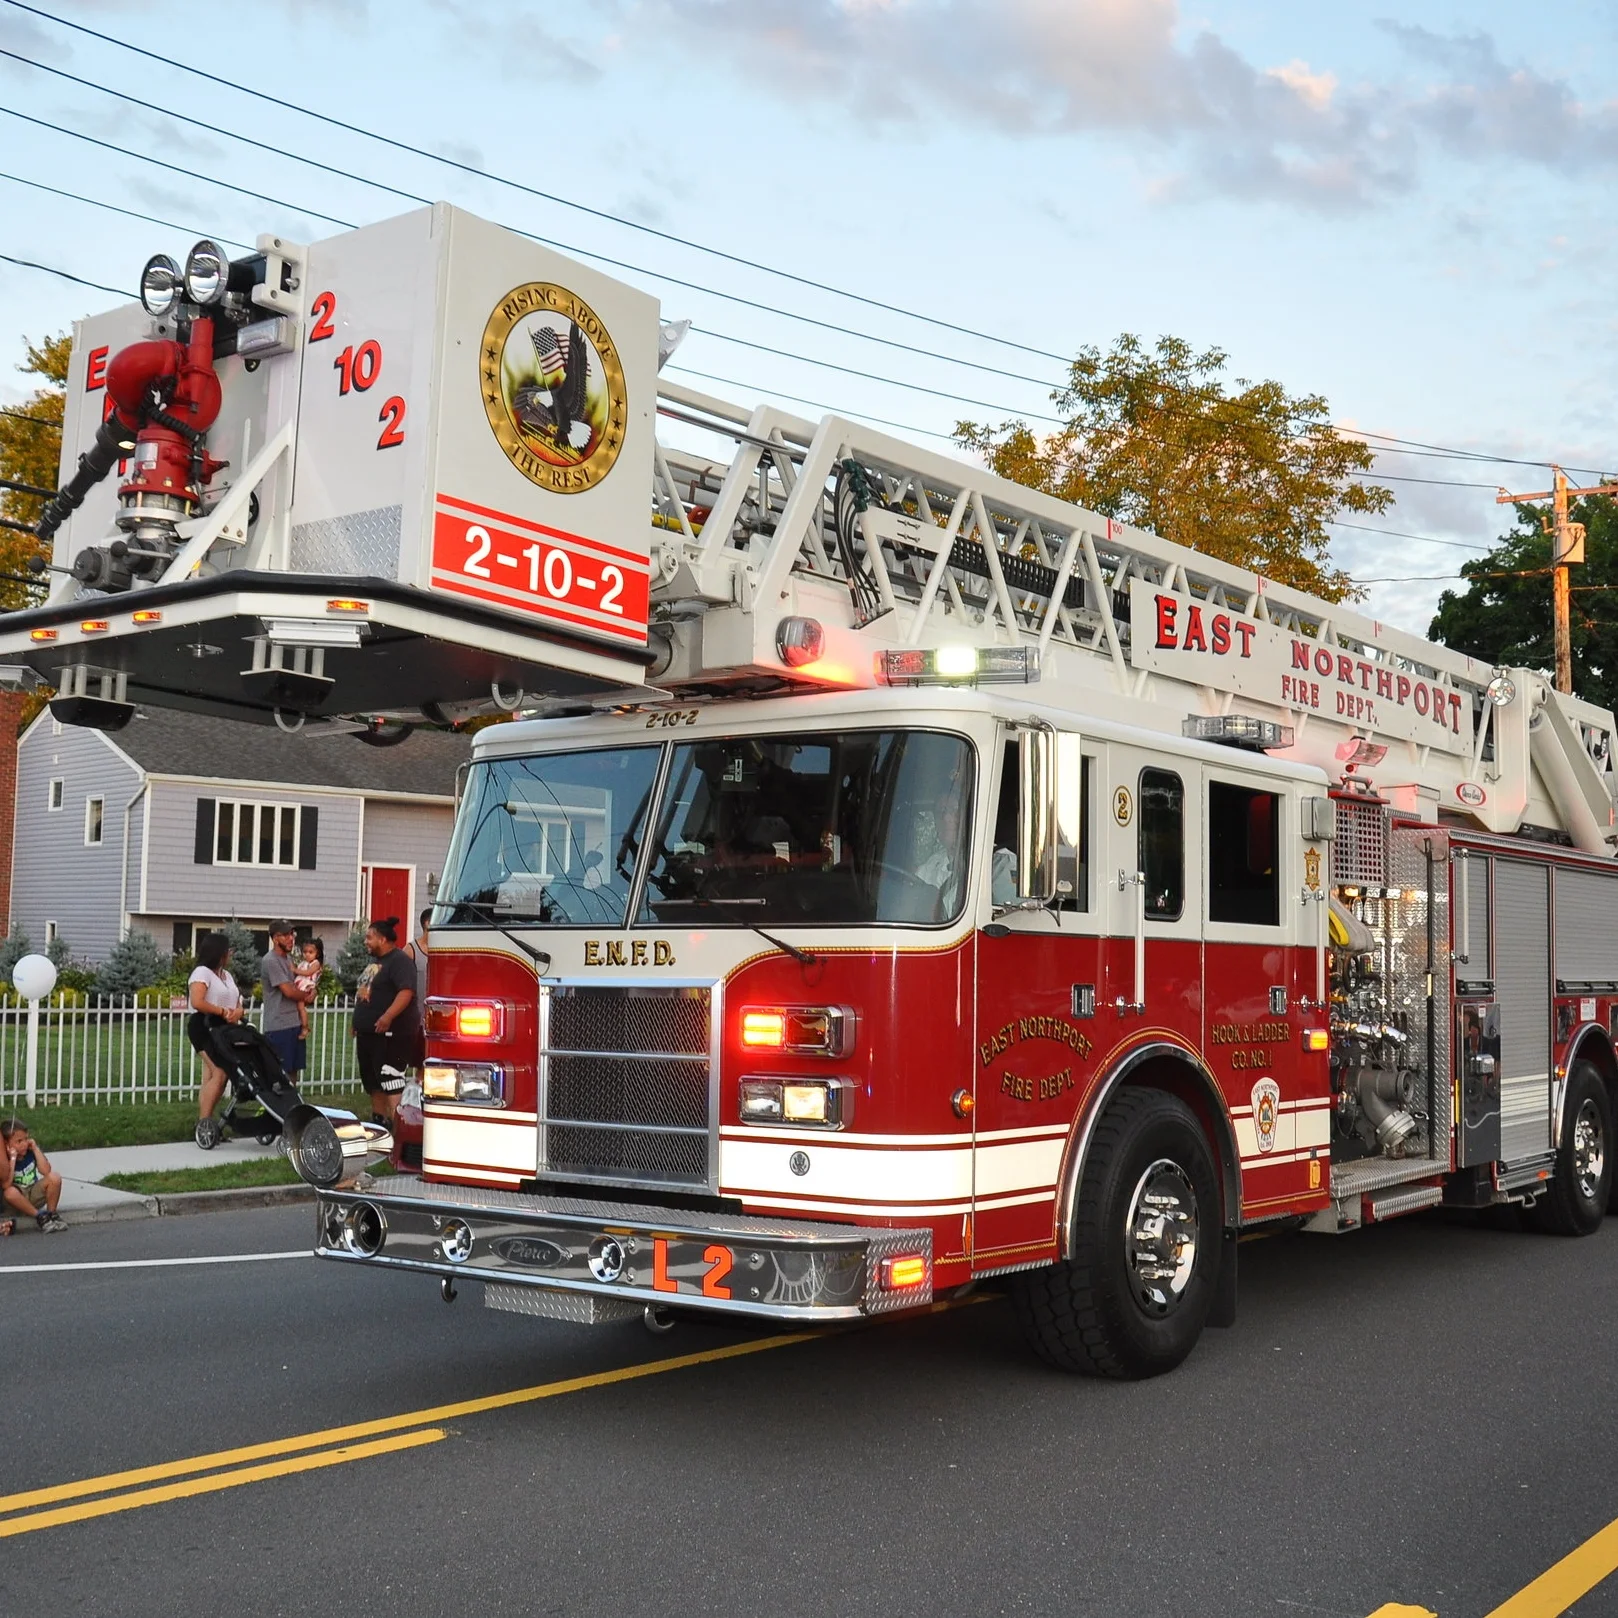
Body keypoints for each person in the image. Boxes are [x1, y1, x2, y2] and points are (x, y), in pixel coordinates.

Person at [352, 916, 419, 1124]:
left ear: (382, 939)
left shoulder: (400, 962)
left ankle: (398, 1125)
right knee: (373, 1082)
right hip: (369, 1034)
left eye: (369, 938)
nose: (365, 942)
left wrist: (388, 1016)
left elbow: (406, 991)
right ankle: (379, 1123)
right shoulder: (376, 963)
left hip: (393, 1034)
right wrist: (357, 1022)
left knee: (390, 1079)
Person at [188, 931, 243, 1141]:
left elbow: (237, 1000)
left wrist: (238, 1012)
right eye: (228, 950)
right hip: (204, 1025)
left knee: (212, 1077)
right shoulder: (202, 973)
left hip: (224, 1028)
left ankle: (205, 1122)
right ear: (219, 952)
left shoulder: (226, 975)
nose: (230, 954)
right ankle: (205, 1125)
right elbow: (197, 1001)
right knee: (219, 1073)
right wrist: (221, 1011)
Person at [260, 920, 312, 1083]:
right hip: (279, 1025)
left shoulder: (288, 959)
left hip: (294, 1022)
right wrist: (305, 995)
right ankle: (277, 1107)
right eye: (286, 935)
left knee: (292, 1071)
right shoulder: (271, 960)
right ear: (275, 938)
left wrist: (311, 990)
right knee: (280, 1073)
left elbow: (297, 985)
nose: (291, 938)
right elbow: (289, 991)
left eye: (292, 934)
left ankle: (291, 1106)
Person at [2, 1119, 66, 1233]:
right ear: (7, 1145)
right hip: (18, 1199)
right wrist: (12, 1158)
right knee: (9, 1192)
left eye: (26, 1139)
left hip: (33, 1192)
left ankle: (52, 1215)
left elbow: (46, 1170)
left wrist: (36, 1149)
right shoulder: (6, 1160)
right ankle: (40, 1217)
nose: (24, 1144)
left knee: (54, 1177)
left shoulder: (30, 1153)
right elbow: (6, 1184)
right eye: (19, 1141)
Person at [293, 937, 325, 1043]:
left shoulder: (315, 963)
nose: (307, 954)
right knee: (297, 1007)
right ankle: (301, 1023)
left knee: (301, 1006)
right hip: (300, 985)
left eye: (310, 952)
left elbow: (308, 973)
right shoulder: (303, 963)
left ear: (317, 953)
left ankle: (305, 1027)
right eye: (305, 952)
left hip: (307, 986)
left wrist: (294, 970)